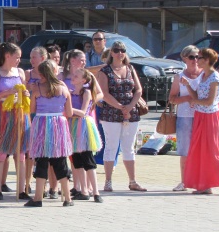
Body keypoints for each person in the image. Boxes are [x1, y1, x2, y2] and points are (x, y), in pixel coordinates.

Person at [97, 40, 146, 192]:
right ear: (111, 53)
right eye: (117, 50)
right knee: (111, 146)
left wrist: (129, 107)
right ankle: (108, 181)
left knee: (128, 147)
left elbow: (138, 90)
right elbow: (104, 94)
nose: (120, 53)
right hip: (111, 113)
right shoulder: (105, 71)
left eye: (123, 50)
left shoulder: (130, 68)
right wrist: (120, 107)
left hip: (131, 113)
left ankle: (132, 181)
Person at [25, 59, 74, 207]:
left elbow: (32, 110)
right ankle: (67, 198)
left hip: (41, 124)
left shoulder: (37, 89)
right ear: (55, 71)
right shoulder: (63, 88)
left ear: (41, 74)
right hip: (59, 124)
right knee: (60, 160)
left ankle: (38, 198)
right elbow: (69, 112)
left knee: (41, 160)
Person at [0, 42, 29, 200]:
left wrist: (25, 94)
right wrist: (5, 93)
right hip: (2, 113)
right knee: (1, 153)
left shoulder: (20, 72)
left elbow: (24, 90)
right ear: (7, 56)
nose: (19, 60)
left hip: (19, 113)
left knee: (21, 153)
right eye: (16, 57)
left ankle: (21, 189)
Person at [181, 48, 219, 196]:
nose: (197, 60)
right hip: (200, 115)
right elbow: (197, 96)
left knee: (212, 150)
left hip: (210, 116)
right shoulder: (203, 75)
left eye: (199, 58)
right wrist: (187, 85)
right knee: (199, 150)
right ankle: (205, 185)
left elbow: (209, 101)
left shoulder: (215, 77)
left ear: (207, 60)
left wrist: (195, 101)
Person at [168, 45, 201, 192]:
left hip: (201, 116)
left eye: (197, 57)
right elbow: (172, 98)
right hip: (185, 116)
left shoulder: (204, 74)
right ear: (184, 58)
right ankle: (184, 181)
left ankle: (201, 181)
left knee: (200, 150)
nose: (195, 60)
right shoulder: (179, 76)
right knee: (185, 151)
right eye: (192, 57)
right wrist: (187, 98)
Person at [68, 68, 103, 202]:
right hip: (73, 125)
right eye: (74, 75)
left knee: (87, 158)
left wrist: (68, 109)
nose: (73, 77)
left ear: (83, 80)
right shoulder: (71, 93)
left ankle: (96, 192)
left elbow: (83, 112)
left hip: (83, 126)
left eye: (77, 76)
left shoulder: (86, 92)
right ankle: (83, 190)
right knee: (77, 160)